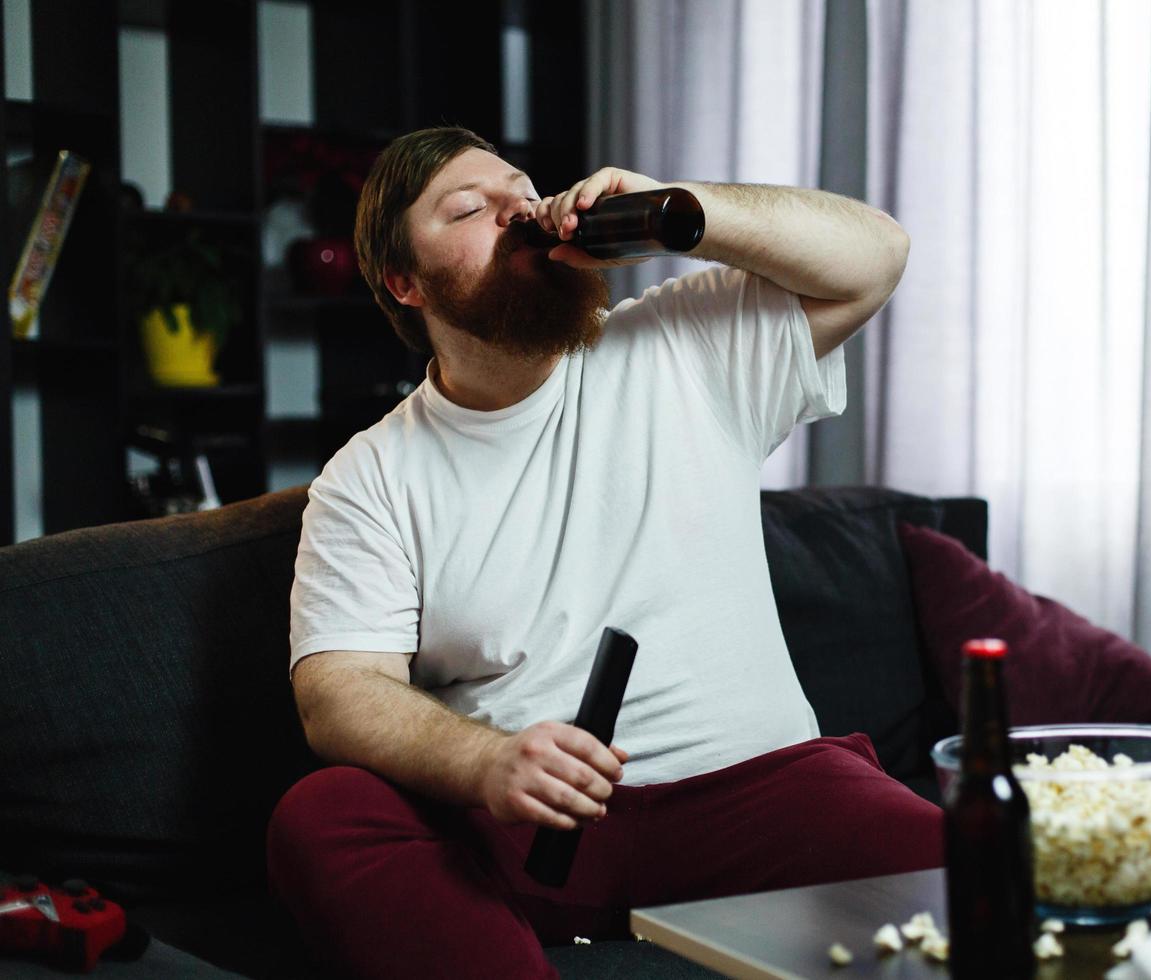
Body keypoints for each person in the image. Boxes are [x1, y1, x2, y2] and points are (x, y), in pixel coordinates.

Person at [266, 126, 940, 979]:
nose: (519, 209)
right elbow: (339, 692)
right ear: (406, 283)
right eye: (471, 208)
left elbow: (876, 255)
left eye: (523, 189)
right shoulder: (368, 478)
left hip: (760, 794)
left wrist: (680, 211)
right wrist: (488, 763)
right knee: (324, 812)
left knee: (994, 880)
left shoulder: (681, 343)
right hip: (526, 820)